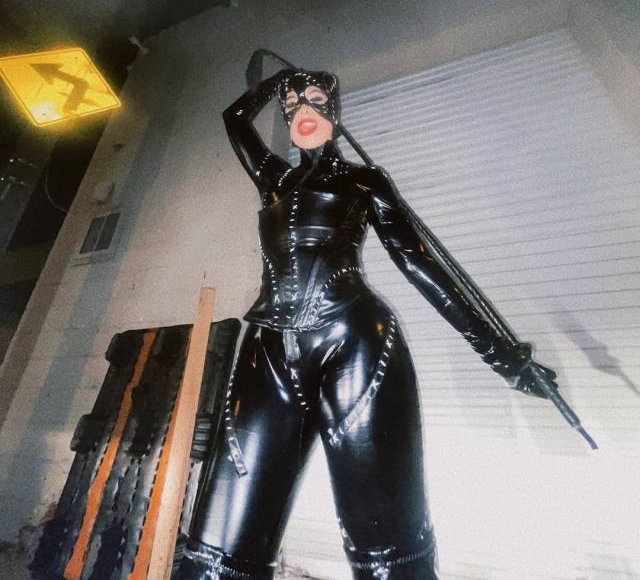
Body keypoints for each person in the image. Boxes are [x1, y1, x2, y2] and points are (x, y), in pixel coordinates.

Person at [176, 65, 557, 580]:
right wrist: (275, 83)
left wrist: (502, 356)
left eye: (315, 99)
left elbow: (419, 263)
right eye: (292, 105)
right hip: (266, 349)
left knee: (387, 553)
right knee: (215, 554)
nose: (302, 110)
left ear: (335, 112)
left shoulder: (364, 180)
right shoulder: (274, 179)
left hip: (354, 344)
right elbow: (235, 119)